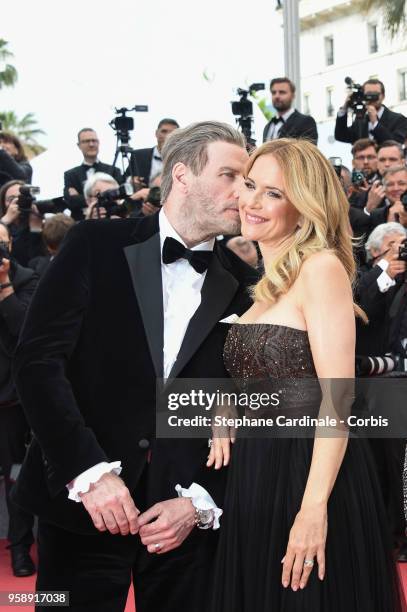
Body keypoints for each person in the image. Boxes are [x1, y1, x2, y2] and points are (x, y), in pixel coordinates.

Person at [11, 121, 259, 612]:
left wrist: (201, 502)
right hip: (81, 505)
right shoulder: (94, 244)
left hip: (184, 524)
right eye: (230, 176)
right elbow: (38, 362)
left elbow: (254, 408)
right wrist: (88, 473)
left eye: (248, 181)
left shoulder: (249, 287)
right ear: (182, 175)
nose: (243, 194)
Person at [210, 138, 405, 611]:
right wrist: (227, 404)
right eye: (251, 184)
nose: (252, 201)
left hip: (309, 473)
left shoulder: (320, 269)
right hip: (258, 476)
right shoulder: (263, 287)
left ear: (305, 206)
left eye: (274, 193)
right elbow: (272, 374)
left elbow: (337, 398)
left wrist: (314, 507)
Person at [0, 221, 37, 576]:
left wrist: (4, 288)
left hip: (14, 401)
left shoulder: (27, 280)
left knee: (18, 479)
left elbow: (26, 332)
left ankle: (20, 547)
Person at [63, 128, 123, 220]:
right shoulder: (70, 174)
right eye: (86, 141)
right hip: (81, 223)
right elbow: (70, 201)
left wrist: (80, 197)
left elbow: (120, 197)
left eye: (94, 141)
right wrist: (102, 196)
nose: (91, 144)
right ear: (79, 145)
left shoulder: (114, 170)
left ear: (99, 143)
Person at [335, 79, 407, 145]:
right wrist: (344, 108)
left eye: (375, 94)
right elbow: (341, 136)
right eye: (368, 94)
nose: (371, 98)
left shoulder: (399, 120)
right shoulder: (360, 119)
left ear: (383, 96)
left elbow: (396, 144)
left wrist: (375, 123)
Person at [0, 180, 46, 267]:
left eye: (21, 198)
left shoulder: (39, 223)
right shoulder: (2, 224)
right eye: (11, 199)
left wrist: (36, 230)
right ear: (3, 203)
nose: (17, 202)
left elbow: (38, 261)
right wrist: (4, 221)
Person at [263, 78, 318, 145]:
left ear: (293, 96)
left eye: (282, 92)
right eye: (274, 93)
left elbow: (308, 153)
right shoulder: (268, 126)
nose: (277, 96)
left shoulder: (306, 122)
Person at [127, 118, 179, 186]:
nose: (168, 136)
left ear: (178, 136)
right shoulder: (138, 156)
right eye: (164, 131)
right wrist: (130, 180)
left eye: (173, 133)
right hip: (143, 196)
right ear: (156, 133)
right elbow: (123, 178)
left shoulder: (185, 158)